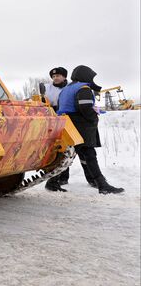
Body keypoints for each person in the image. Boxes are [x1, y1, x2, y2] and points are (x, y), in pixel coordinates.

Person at [52, 65, 124, 195]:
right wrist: (94, 118)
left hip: (66, 123)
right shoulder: (83, 88)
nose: (92, 79)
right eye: (91, 77)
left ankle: (52, 181)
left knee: (70, 154)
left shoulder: (65, 89)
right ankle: (102, 184)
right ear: (85, 75)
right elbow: (85, 107)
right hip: (79, 124)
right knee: (89, 154)